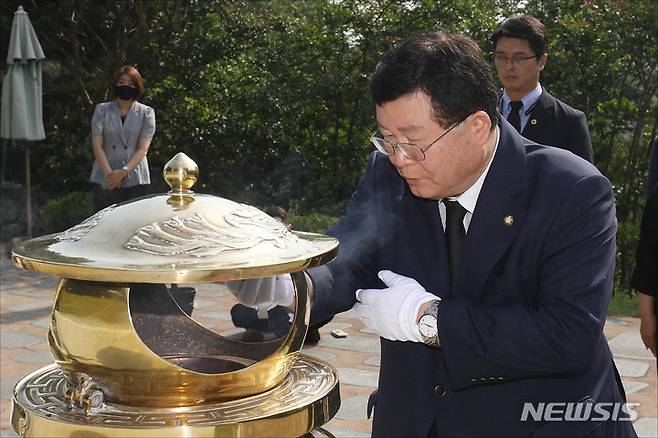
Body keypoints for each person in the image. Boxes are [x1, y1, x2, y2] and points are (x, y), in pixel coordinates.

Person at [229, 31, 635, 437]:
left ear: (477, 126)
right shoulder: (386, 173)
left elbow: (568, 336)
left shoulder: (571, 190)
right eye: (388, 140)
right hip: (417, 418)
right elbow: (352, 256)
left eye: (414, 142)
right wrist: (287, 283)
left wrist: (430, 321)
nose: (400, 159)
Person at [492, 15, 594, 163]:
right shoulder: (483, 115)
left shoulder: (568, 122)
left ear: (542, 61)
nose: (509, 66)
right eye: (501, 57)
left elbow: (585, 182)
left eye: (519, 58)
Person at [89, 65, 155, 211]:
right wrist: (110, 176)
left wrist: (123, 172)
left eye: (131, 84)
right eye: (122, 82)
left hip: (136, 177)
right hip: (105, 177)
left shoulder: (147, 113)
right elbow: (97, 145)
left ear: (137, 87)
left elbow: (143, 148)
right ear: (115, 85)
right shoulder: (101, 110)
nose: (126, 86)